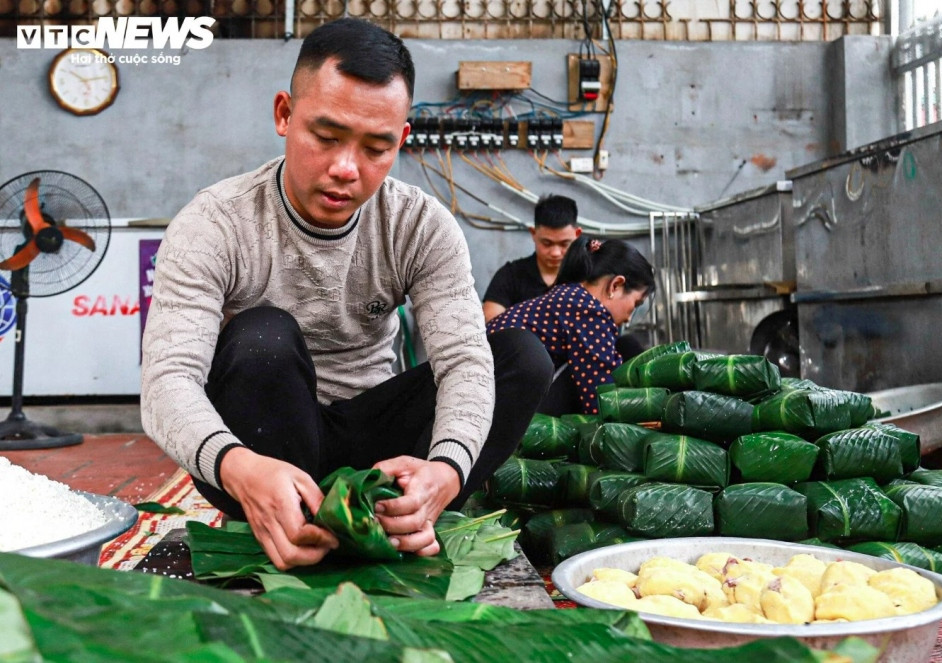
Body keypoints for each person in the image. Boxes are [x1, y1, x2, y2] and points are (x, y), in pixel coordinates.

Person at [140, 18, 551, 571]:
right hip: (263, 451)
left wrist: (447, 472)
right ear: (284, 114)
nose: (345, 169)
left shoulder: (421, 226)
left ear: (401, 141)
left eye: (376, 148)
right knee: (262, 334)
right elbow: (168, 381)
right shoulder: (216, 223)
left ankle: (409, 512)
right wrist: (238, 466)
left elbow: (463, 363)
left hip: (374, 449)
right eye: (327, 137)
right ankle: (289, 518)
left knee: (520, 357)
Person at [486, 236, 655, 416]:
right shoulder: (590, 312)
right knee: (621, 354)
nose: (629, 318)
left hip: (493, 395)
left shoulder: (570, 296)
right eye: (635, 304)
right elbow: (601, 398)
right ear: (615, 285)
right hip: (500, 407)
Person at [482, 194, 580, 323]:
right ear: (533, 234)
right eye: (547, 243)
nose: (555, 253)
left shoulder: (589, 276)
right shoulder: (510, 275)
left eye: (564, 244)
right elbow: (491, 321)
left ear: (577, 234)